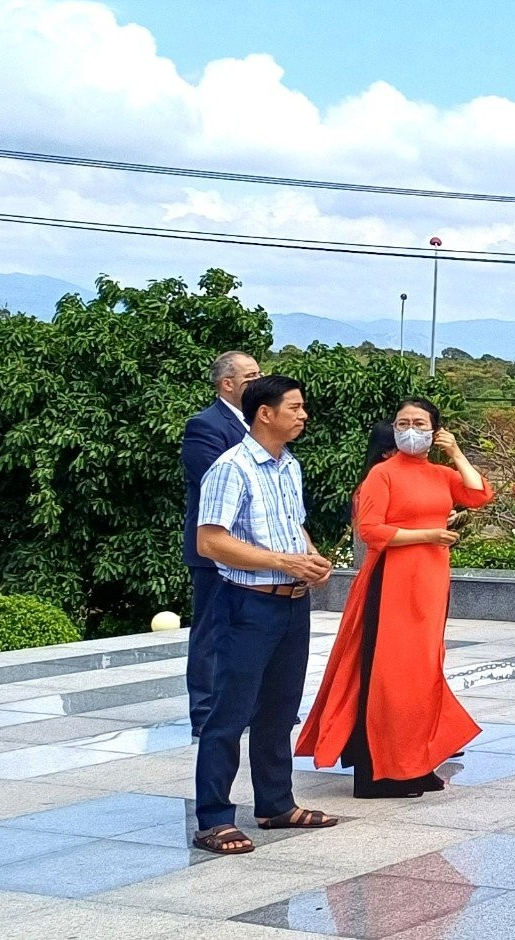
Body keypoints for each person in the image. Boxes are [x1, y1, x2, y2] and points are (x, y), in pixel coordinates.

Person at [297, 400, 490, 798]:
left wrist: (454, 452)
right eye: (403, 423)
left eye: (419, 423)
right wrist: (428, 535)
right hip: (392, 580)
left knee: (424, 671)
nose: (410, 428)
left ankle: (415, 762)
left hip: (431, 580)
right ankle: (380, 770)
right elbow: (371, 530)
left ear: (435, 430)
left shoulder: (440, 474)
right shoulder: (381, 475)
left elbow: (478, 495)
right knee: (392, 675)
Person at [191, 374, 338, 855]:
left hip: (293, 603)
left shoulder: (287, 466)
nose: (303, 415)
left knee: (278, 710)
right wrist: (282, 561)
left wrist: (310, 558)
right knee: (229, 713)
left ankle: (276, 805)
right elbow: (210, 540)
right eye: (294, 408)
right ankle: (213, 817)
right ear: (265, 413)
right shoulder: (231, 468)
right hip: (247, 605)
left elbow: (290, 525)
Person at [181, 350, 259, 737]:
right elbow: (214, 480)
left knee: (251, 629)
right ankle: (206, 712)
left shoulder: (260, 423)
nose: (259, 381)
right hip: (216, 549)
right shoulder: (205, 425)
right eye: (250, 375)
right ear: (226, 383)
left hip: (257, 551)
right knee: (212, 632)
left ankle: (250, 706)